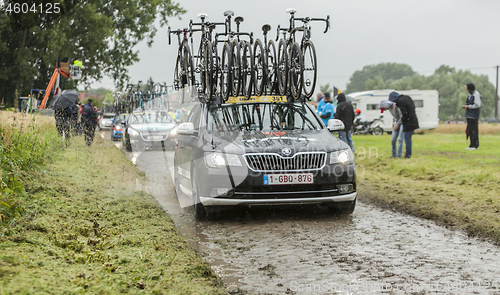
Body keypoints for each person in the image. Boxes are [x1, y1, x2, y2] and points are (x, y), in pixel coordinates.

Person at [388, 91, 419, 158]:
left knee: (407, 138)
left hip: (408, 122)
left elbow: (404, 113)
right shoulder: (407, 97)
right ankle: (408, 154)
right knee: (408, 138)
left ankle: (408, 155)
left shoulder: (400, 102)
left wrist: (401, 122)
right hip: (414, 119)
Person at [463, 83, 481, 150]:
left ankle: (475, 145)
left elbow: (477, 105)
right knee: (470, 130)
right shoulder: (470, 95)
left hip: (474, 115)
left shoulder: (476, 94)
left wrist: (468, 106)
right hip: (469, 115)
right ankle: (471, 144)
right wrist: (466, 105)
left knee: (474, 130)